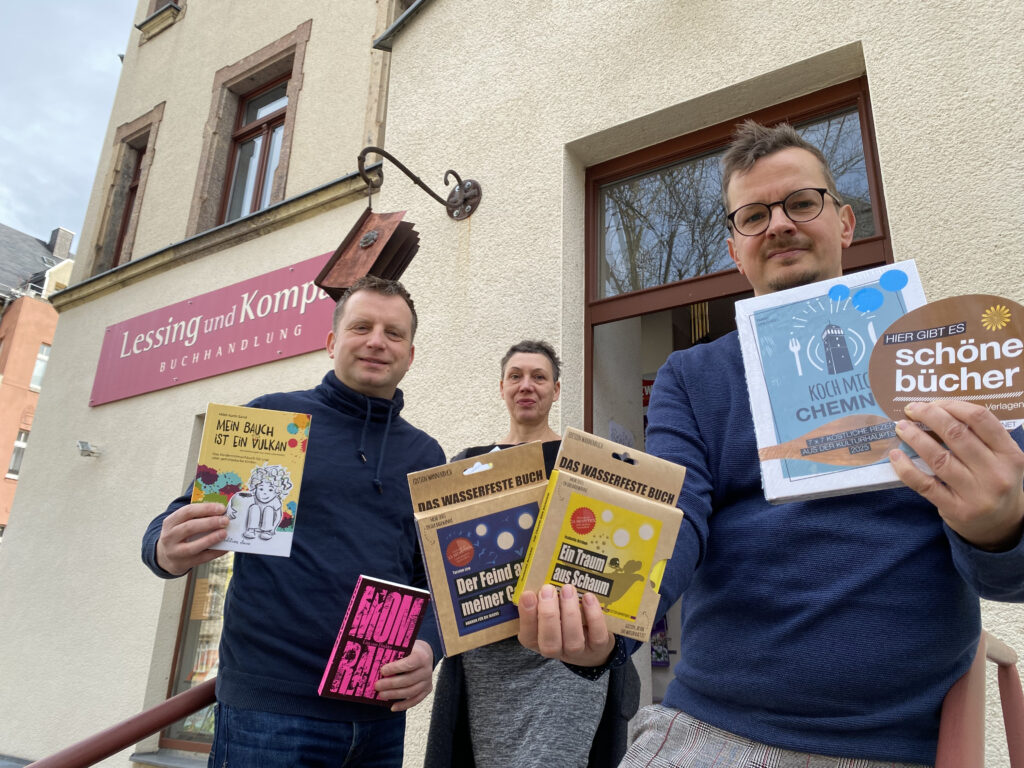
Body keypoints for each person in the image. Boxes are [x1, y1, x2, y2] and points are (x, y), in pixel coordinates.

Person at [518, 121, 1024, 767]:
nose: (779, 224)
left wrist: (1001, 526)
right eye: (754, 215)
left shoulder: (936, 354)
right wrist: (606, 627)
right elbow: (674, 516)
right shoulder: (693, 377)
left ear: (844, 223)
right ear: (735, 249)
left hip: (899, 746)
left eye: (801, 204)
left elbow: (1010, 572)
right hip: (714, 733)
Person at [142, 275, 445, 768]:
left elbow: (431, 579)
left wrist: (429, 648)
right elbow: (178, 520)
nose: (376, 341)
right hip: (268, 718)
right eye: (361, 326)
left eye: (394, 333)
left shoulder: (426, 455)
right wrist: (163, 547)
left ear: (410, 354)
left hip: (380, 717)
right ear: (331, 342)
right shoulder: (272, 420)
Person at [424, 340, 640, 768]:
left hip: (568, 653)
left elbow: (617, 556)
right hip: (488, 658)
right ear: (501, 387)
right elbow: (441, 567)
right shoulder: (466, 466)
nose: (527, 385)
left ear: (556, 390)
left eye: (539, 377)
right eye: (516, 376)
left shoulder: (586, 462)